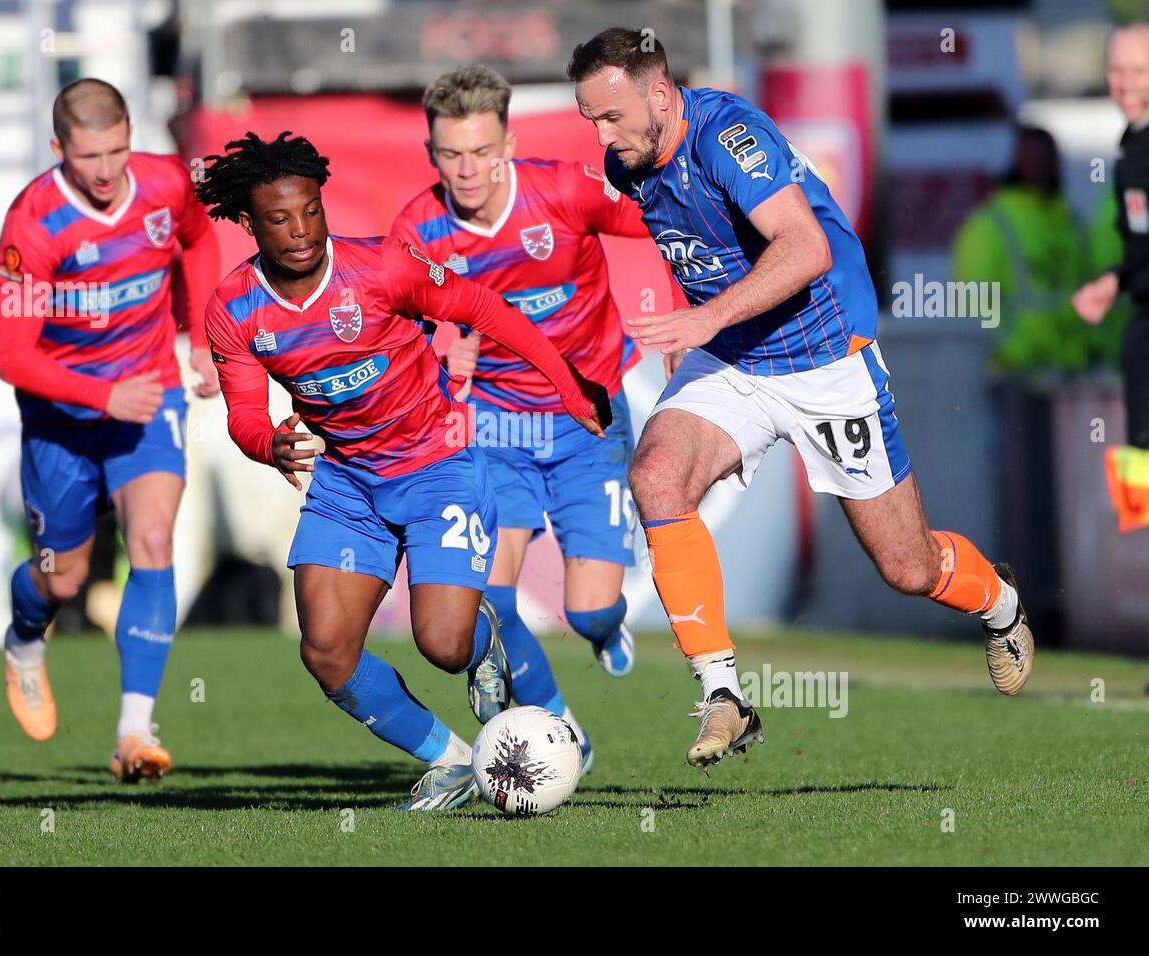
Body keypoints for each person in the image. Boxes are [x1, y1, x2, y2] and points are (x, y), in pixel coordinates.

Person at [568, 28, 1035, 769]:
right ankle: (724, 694)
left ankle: (999, 604)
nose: (601, 133)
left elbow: (806, 247)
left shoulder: (731, 134)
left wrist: (705, 314)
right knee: (657, 474)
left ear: (658, 92)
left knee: (909, 569)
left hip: (825, 360)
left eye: (610, 115)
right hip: (736, 361)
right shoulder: (627, 163)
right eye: (589, 117)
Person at [194, 130, 608, 810]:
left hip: (438, 465)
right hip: (348, 483)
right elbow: (242, 412)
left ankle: (486, 642)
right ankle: (451, 761)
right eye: (279, 218)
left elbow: (485, 309)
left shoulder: (383, 268)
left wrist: (569, 387)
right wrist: (266, 443)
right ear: (248, 222)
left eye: (311, 211)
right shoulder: (235, 308)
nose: (301, 231)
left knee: (443, 645)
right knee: (326, 651)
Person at [389, 64, 653, 772]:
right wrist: (445, 366)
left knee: (590, 609)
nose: (467, 170)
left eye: (481, 151)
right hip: (494, 426)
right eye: (451, 155)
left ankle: (603, 630)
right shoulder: (418, 229)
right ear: (431, 154)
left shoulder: (562, 191)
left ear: (507, 143)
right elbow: (402, 331)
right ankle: (562, 726)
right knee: (490, 592)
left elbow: (660, 215)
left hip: (587, 420)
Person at [0, 78, 222, 781]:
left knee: (153, 539)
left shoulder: (161, 185)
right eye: (90, 156)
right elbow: (12, 356)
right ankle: (25, 637)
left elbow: (201, 239)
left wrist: (203, 338)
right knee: (61, 581)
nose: (106, 170)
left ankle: (134, 731)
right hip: (63, 422)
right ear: (58, 147)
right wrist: (102, 393)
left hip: (149, 399)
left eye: (118, 150)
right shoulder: (33, 222)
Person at [1073, 22, 1149, 529]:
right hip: (1141, 326)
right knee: (1138, 474)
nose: (1123, 82)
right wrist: (1116, 281)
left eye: (1137, 71)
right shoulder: (1131, 149)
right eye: (1115, 70)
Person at [952, 126, 1095, 373]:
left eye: (1046, 158)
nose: (1040, 165)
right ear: (1016, 161)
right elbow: (971, 306)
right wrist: (1007, 350)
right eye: (1033, 158)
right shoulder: (989, 226)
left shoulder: (1072, 225)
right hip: (1014, 374)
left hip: (1071, 371)